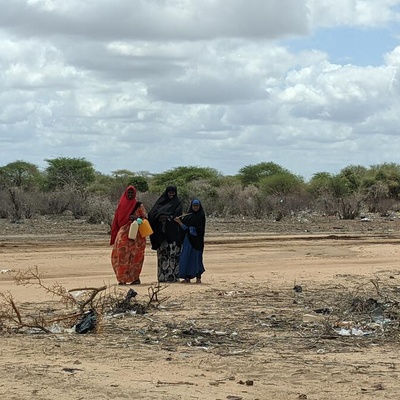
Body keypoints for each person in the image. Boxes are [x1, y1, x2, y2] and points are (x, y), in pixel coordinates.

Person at [110, 185, 147, 285]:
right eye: (129, 193)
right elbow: (117, 219)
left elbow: (145, 219)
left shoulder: (138, 205)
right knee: (121, 255)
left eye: (132, 193)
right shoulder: (121, 205)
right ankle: (122, 278)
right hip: (123, 233)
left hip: (137, 235)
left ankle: (135, 278)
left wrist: (136, 218)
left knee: (136, 257)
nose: (130, 195)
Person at [148, 185, 183, 282]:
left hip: (173, 235)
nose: (171, 194)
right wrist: (159, 217)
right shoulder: (160, 203)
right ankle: (162, 277)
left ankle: (173, 277)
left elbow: (178, 215)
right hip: (161, 235)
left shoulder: (178, 203)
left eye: (173, 192)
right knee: (163, 256)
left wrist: (168, 218)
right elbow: (151, 214)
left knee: (173, 256)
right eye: (169, 192)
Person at [175, 199, 206, 284]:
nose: (195, 207)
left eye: (197, 206)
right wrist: (179, 222)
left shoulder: (201, 216)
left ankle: (198, 278)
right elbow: (184, 228)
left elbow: (201, 229)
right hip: (188, 240)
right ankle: (187, 277)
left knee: (197, 258)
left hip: (197, 241)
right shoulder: (188, 216)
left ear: (199, 207)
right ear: (191, 206)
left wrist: (193, 229)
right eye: (194, 206)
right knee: (186, 257)